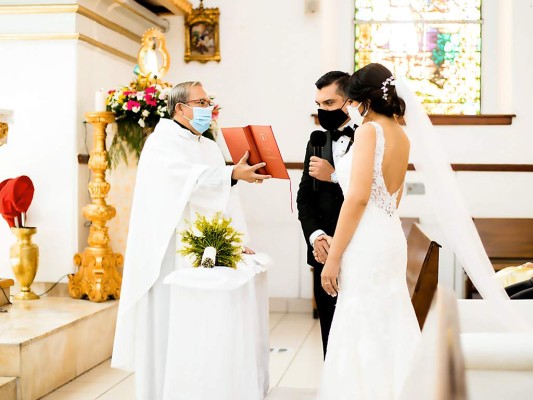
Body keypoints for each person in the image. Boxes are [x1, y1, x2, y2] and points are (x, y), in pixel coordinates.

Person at [111, 81, 271, 400]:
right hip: (171, 248)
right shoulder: (162, 142)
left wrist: (237, 240)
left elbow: (224, 195)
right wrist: (231, 175)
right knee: (170, 324)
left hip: (205, 247)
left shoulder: (209, 145)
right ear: (180, 108)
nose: (208, 107)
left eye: (209, 101)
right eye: (201, 101)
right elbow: (187, 182)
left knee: (201, 327)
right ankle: (163, 390)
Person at [317, 63, 420, 399]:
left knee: (360, 320)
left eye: (351, 101)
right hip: (388, 234)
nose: (349, 108)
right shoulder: (401, 134)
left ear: (364, 100)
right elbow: (392, 197)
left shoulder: (369, 131)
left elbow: (358, 198)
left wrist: (333, 257)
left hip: (368, 239)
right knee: (389, 318)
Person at [296, 71, 356, 357]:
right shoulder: (317, 140)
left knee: (356, 333)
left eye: (330, 104)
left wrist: (334, 177)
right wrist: (317, 237)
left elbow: (369, 194)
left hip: (357, 246)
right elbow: (305, 196)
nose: (323, 111)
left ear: (349, 100)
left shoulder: (368, 135)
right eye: (319, 105)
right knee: (329, 334)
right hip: (322, 252)